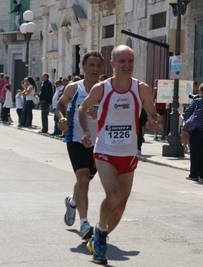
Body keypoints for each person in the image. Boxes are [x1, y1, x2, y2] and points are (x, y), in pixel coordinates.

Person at [78, 45, 159, 264]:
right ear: (113, 64)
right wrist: (87, 131)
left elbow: (153, 114)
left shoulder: (142, 89)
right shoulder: (102, 89)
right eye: (122, 61)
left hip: (129, 153)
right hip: (104, 150)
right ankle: (101, 237)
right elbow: (82, 108)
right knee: (113, 195)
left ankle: (97, 237)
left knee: (121, 205)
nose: (127, 65)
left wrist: (153, 122)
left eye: (130, 61)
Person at [56, 51, 104, 242]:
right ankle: (84, 223)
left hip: (99, 142)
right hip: (75, 137)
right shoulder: (73, 88)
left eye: (98, 66)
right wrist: (61, 118)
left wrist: (99, 114)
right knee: (83, 178)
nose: (95, 69)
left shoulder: (106, 90)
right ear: (83, 68)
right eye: (91, 65)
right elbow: (60, 105)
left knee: (85, 181)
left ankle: (72, 201)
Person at [184, 82, 203, 182]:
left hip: (196, 129)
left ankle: (194, 174)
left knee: (195, 153)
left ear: (201, 91)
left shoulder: (197, 101)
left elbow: (187, 112)